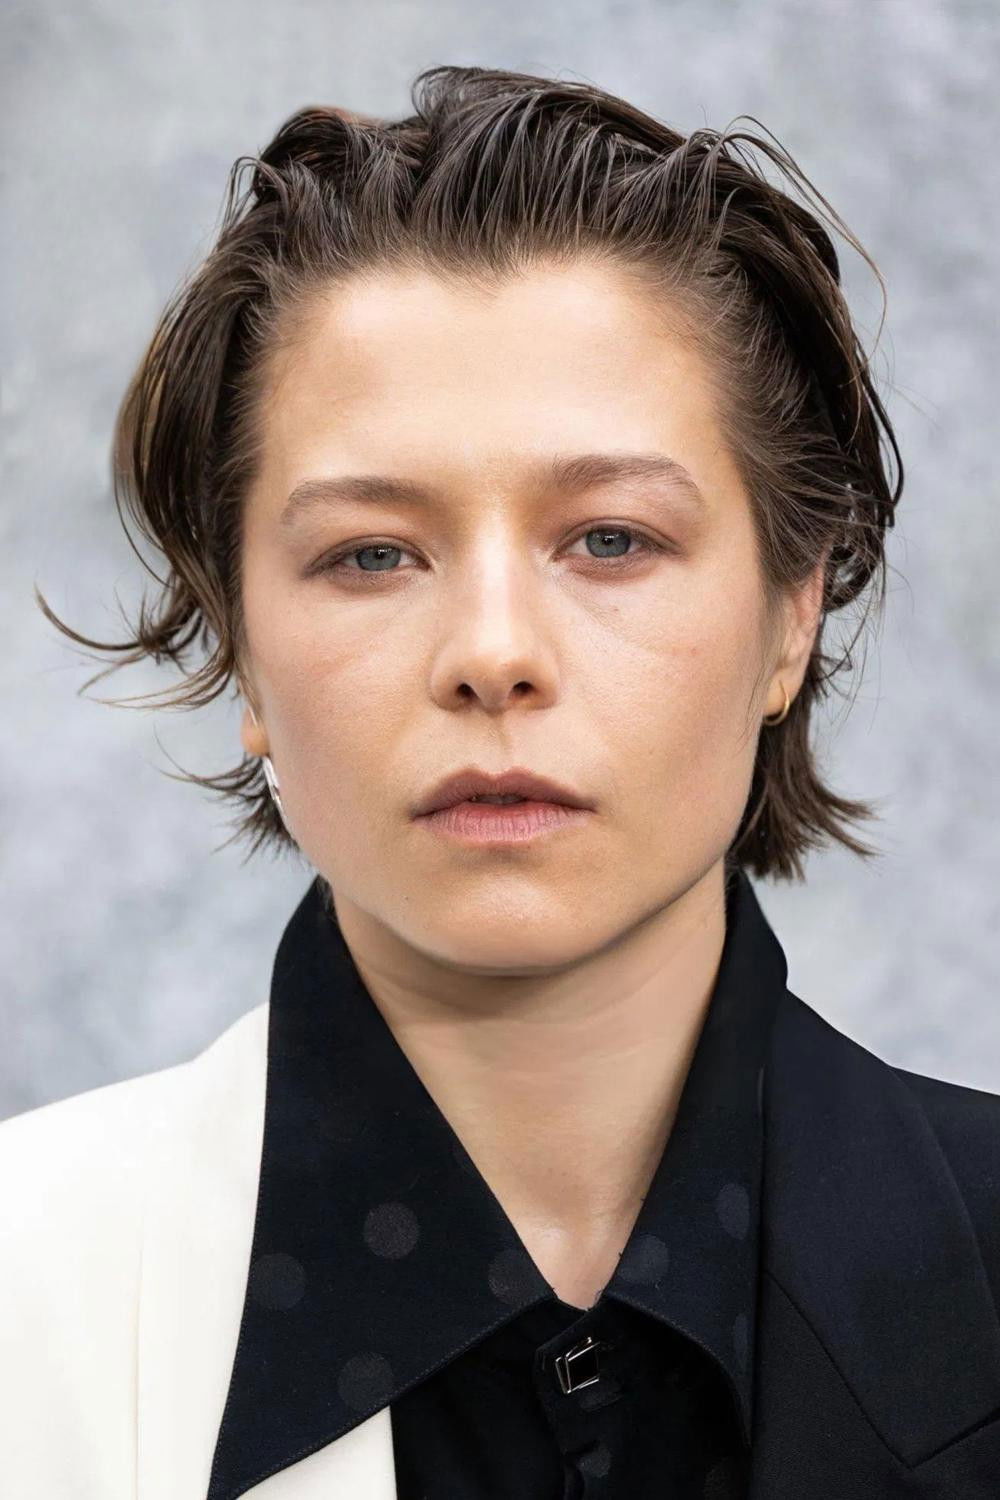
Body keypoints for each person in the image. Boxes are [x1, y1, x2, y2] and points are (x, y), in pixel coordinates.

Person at [3, 64, 999, 1500]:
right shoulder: (25, 1292)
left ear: (792, 616)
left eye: (610, 539)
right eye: (371, 554)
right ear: (238, 644)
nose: (491, 654)